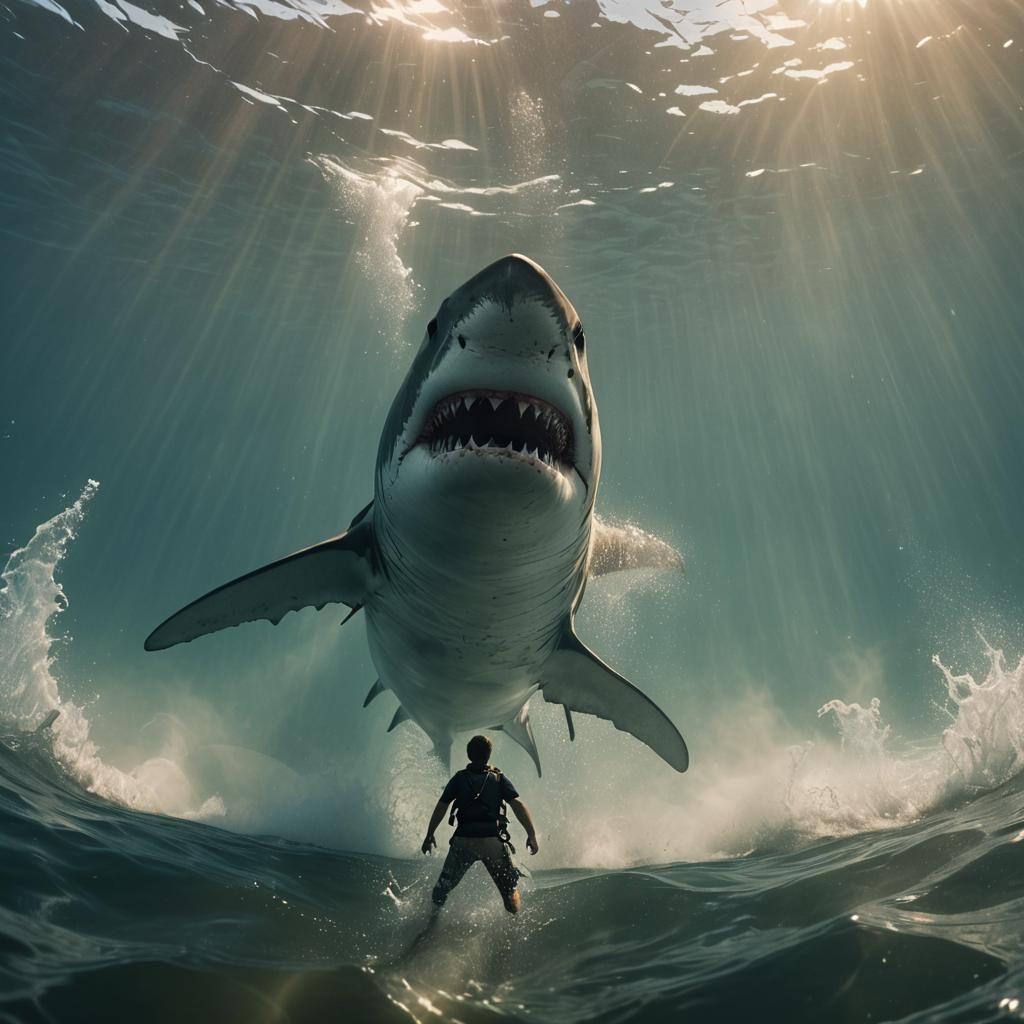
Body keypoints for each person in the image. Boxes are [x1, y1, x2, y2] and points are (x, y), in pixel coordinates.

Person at [421, 734, 539, 914]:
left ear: (469, 754)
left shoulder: (459, 778)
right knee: (509, 891)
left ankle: (430, 924)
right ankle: (515, 921)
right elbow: (518, 805)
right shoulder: (499, 779)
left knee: (441, 891)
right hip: (492, 843)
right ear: (488, 755)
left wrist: (430, 834)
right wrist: (531, 834)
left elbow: (441, 806)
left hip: (464, 841)